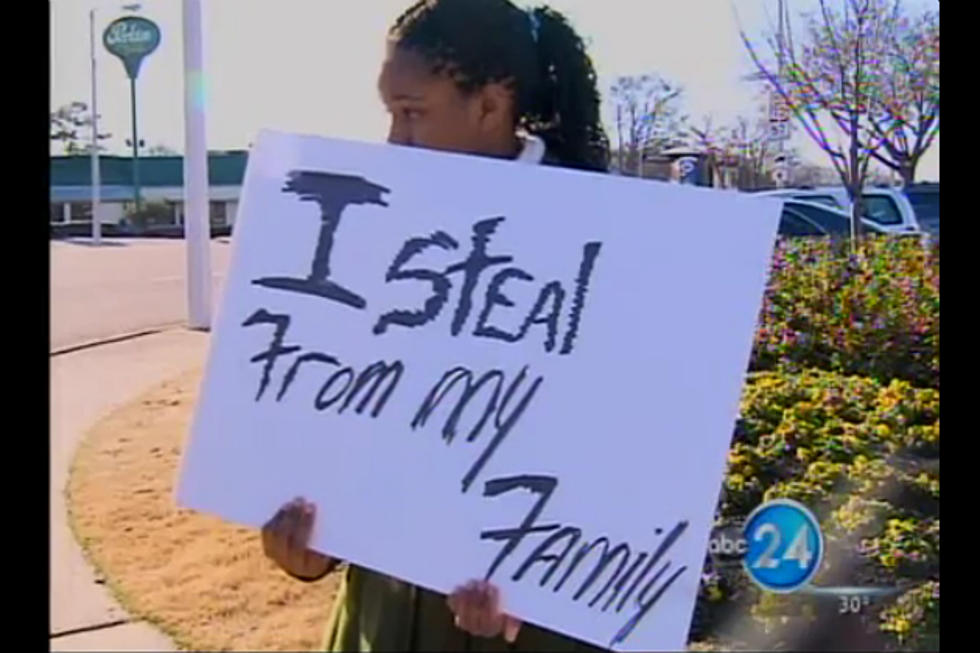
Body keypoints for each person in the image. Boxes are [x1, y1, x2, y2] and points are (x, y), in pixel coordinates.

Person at [261, 1, 610, 650]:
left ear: (492, 103)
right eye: (390, 113)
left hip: (537, 628)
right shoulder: (362, 229)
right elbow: (334, 412)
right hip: (385, 616)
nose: (394, 139)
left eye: (413, 112)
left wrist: (541, 590)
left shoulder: (611, 242)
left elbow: (625, 453)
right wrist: (312, 547)